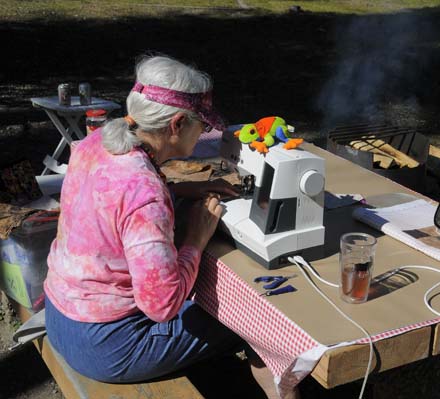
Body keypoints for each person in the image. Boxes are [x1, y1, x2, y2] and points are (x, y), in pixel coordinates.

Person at [44, 55, 298, 399]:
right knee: (257, 320)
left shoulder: (97, 141)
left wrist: (176, 190)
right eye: (201, 126)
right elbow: (162, 305)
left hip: (60, 317)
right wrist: (197, 235)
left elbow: (110, 202)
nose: (205, 132)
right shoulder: (144, 192)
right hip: (108, 347)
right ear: (177, 124)